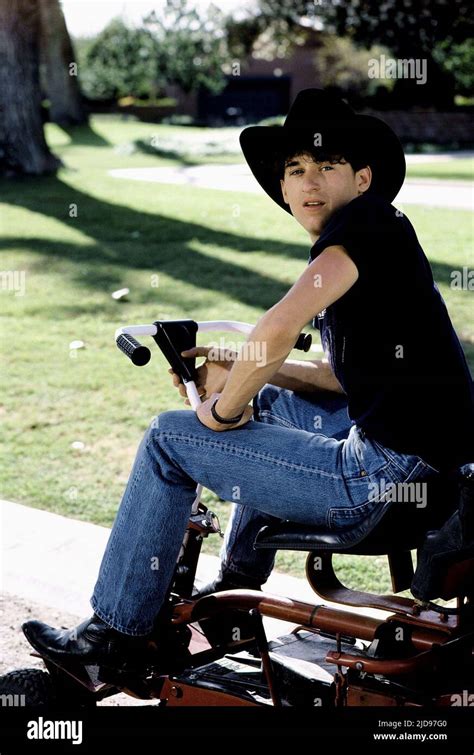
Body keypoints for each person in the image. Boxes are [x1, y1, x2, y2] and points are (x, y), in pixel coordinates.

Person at [23, 89, 473, 670]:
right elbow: (338, 380)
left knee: (169, 437)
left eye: (327, 166)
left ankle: (114, 635)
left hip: (381, 481)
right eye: (297, 169)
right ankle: (235, 592)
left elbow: (281, 325)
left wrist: (220, 412)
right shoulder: (382, 238)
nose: (310, 181)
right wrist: (234, 366)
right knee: (272, 400)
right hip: (439, 480)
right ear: (283, 187)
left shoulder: (360, 230)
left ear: (362, 179)